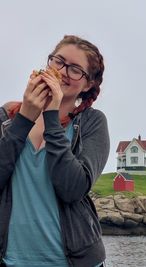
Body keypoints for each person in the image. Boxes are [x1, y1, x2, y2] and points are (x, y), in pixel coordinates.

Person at [0, 35, 110, 267]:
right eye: (58, 61)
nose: (62, 71)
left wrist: (51, 117)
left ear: (88, 84)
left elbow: (73, 188)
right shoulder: (7, 117)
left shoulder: (93, 123)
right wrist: (24, 119)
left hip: (73, 262)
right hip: (11, 260)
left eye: (75, 69)